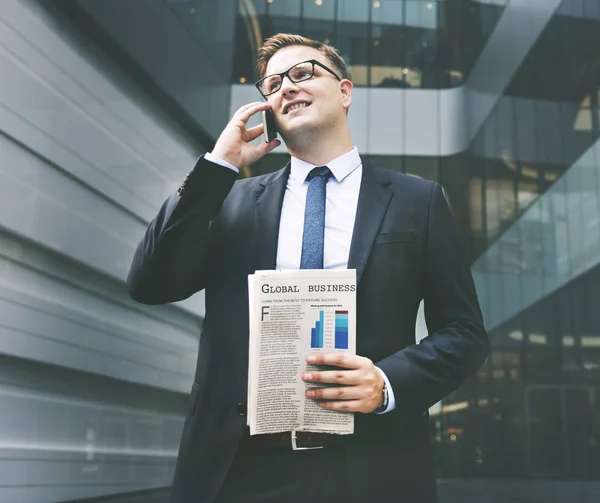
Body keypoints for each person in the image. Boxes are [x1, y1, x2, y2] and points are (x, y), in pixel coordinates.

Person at [127, 33, 489, 503]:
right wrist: (219, 165)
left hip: (370, 465)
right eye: (273, 83)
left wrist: (386, 383)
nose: (286, 87)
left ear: (344, 92)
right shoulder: (231, 200)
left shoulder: (417, 201)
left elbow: (464, 332)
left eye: (303, 73)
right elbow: (149, 283)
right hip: (239, 467)